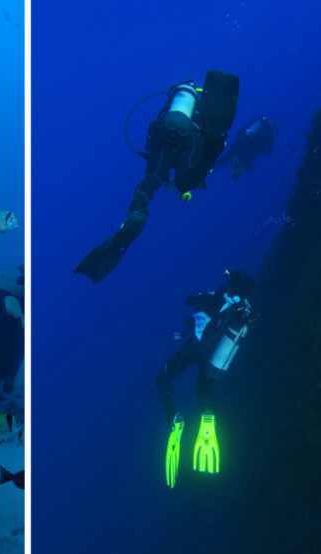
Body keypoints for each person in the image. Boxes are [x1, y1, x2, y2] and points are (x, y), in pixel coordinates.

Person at [74, 70, 240, 283]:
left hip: (167, 131)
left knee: (150, 180)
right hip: (193, 137)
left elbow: (153, 130)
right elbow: (206, 144)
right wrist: (211, 153)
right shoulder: (204, 109)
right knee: (183, 182)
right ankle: (184, 180)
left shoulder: (174, 101)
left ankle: (136, 215)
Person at [161, 269, 256, 489]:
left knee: (164, 378)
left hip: (195, 346)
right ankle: (207, 416)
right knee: (202, 390)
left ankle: (174, 421)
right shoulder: (242, 309)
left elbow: (190, 299)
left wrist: (203, 297)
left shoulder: (221, 296)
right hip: (211, 352)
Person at [212, 116, 278, 180]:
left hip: (241, 141)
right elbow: (269, 152)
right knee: (237, 172)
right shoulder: (270, 131)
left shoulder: (258, 121)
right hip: (248, 149)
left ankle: (211, 166)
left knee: (224, 159)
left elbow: (242, 131)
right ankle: (218, 167)